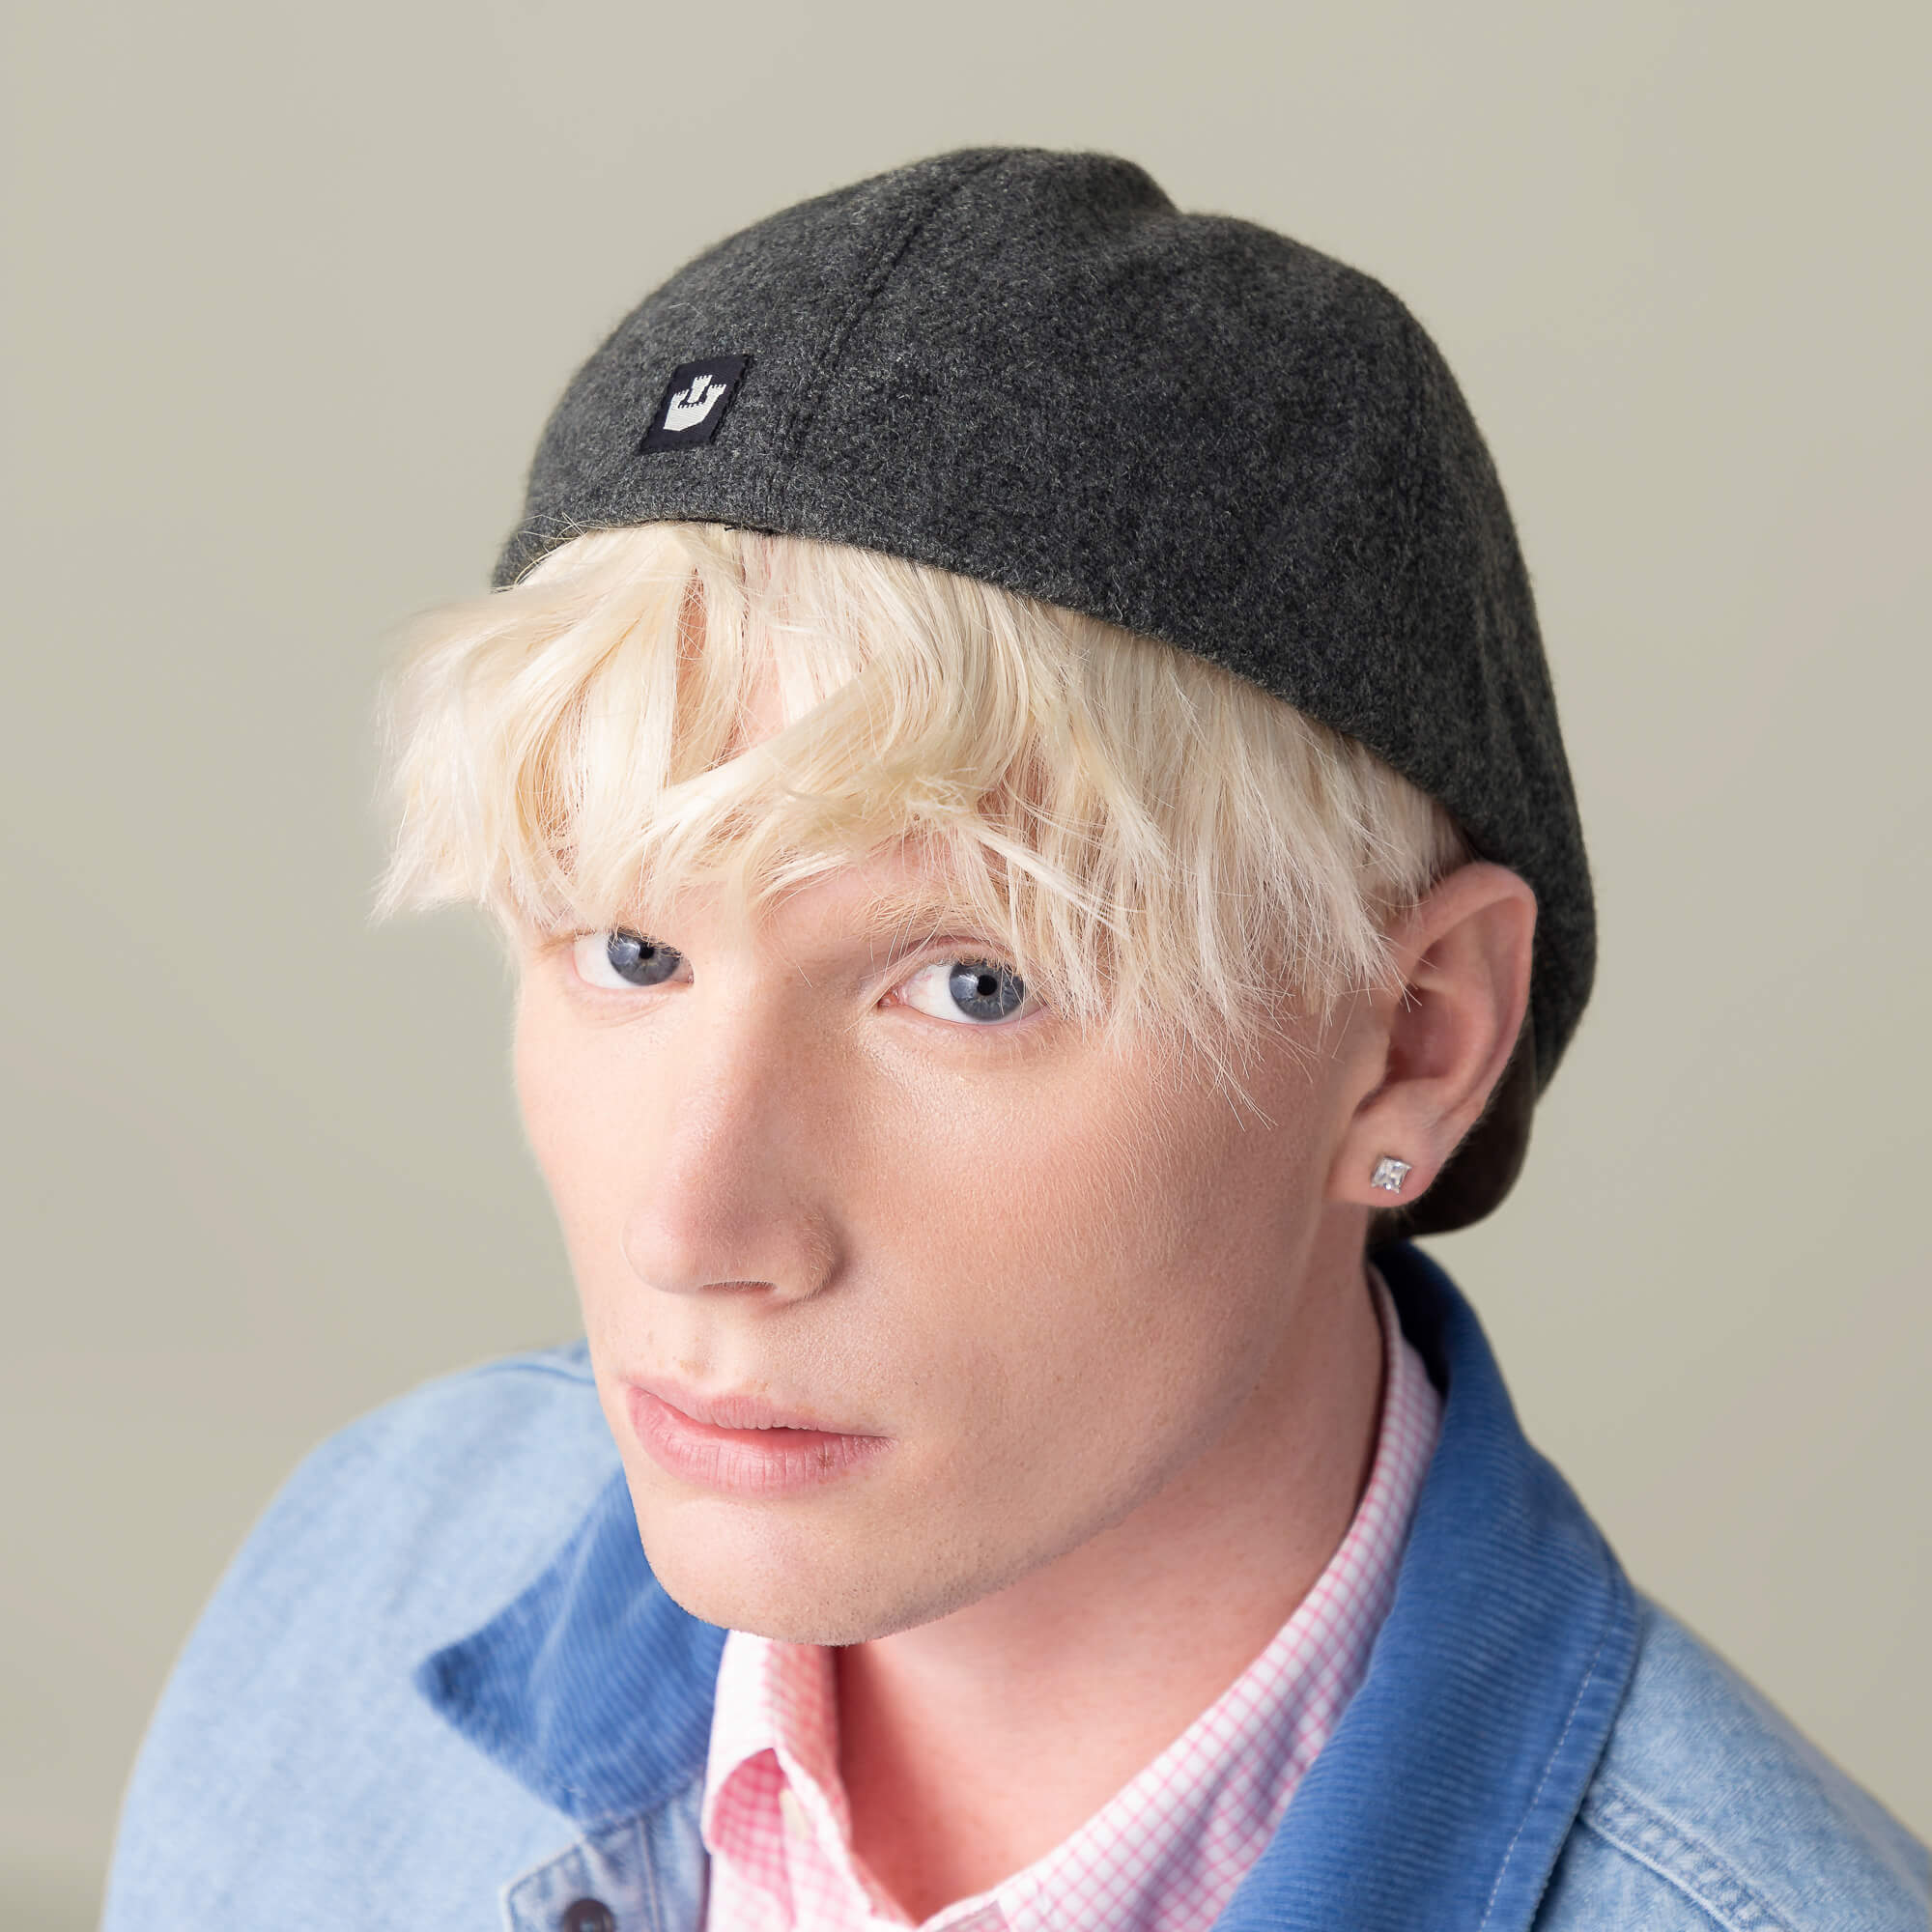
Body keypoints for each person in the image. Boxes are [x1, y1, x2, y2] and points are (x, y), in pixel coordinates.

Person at [103, 148, 1928, 1932]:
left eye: (975, 986)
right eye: (634, 951)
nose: (695, 1230)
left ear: (1416, 1041)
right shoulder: (359, 1576)